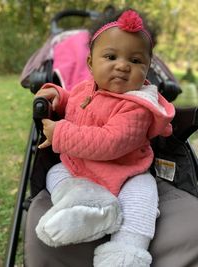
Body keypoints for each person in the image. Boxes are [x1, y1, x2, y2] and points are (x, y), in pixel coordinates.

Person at [34, 9, 175, 267]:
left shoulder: (138, 106)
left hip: (126, 173)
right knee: (55, 173)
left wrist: (61, 133)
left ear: (147, 69)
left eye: (135, 61)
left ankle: (124, 252)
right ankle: (89, 208)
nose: (122, 65)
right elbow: (73, 102)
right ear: (91, 63)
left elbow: (110, 142)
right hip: (80, 169)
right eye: (111, 57)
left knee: (143, 197)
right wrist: (59, 96)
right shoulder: (85, 88)